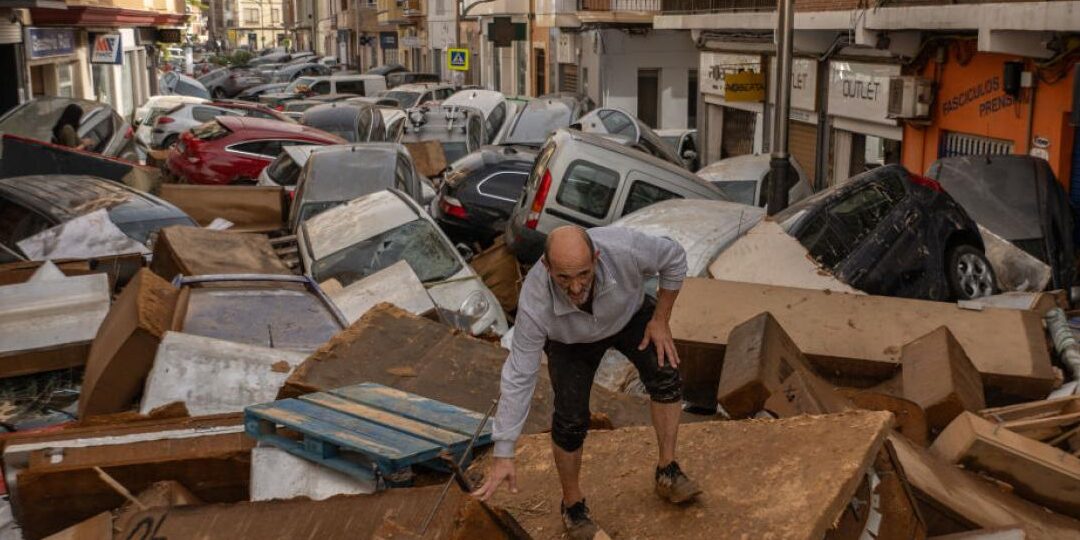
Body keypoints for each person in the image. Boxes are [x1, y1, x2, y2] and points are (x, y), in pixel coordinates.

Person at [473, 225, 701, 539]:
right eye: (564, 278)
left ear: (596, 257)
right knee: (570, 420)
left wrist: (661, 319)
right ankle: (573, 507)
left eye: (583, 273)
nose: (577, 287)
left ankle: (668, 470)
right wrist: (504, 449)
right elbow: (519, 375)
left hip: (628, 315)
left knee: (666, 375)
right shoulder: (534, 302)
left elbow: (674, 258)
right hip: (570, 342)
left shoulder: (627, 249)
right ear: (546, 267)